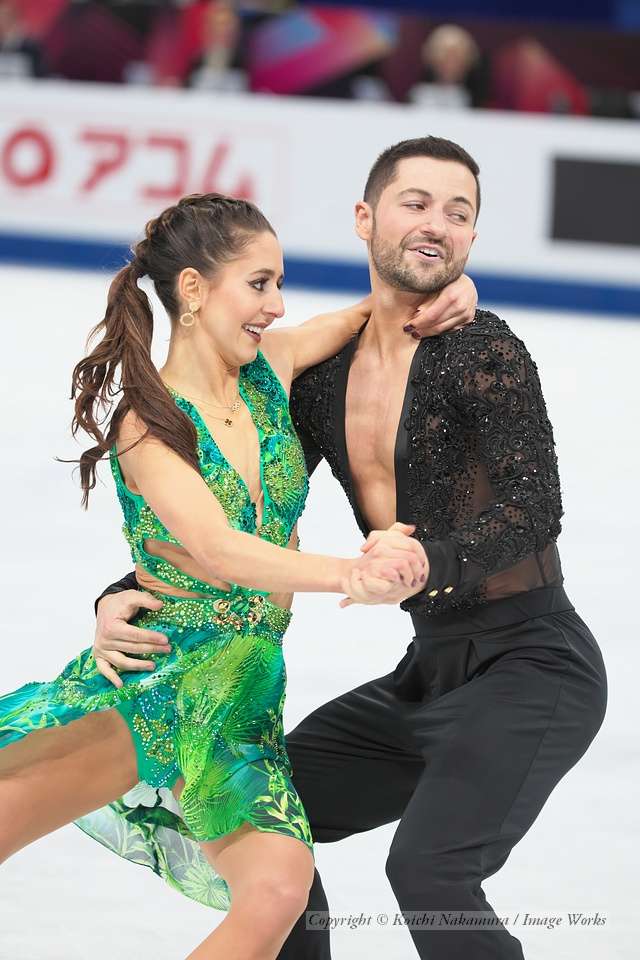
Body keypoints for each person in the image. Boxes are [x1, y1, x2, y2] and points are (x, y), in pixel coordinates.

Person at [95, 139, 608, 959]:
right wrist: (124, 591)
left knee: (431, 870)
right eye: (415, 203)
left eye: (459, 212)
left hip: (536, 664)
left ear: (473, 239)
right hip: (430, 668)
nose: (436, 225)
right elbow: (249, 512)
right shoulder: (325, 377)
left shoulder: (485, 353)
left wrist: (420, 562)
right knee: (274, 828)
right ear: (366, 218)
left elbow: (534, 509)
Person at [0, 192, 476, 960]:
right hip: (156, 683)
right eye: (259, 284)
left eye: (279, 284)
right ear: (193, 290)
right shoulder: (149, 421)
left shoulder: (272, 369)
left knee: (280, 891)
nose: (277, 305)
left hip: (243, 695)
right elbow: (221, 550)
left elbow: (368, 317)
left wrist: (451, 290)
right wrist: (353, 573)